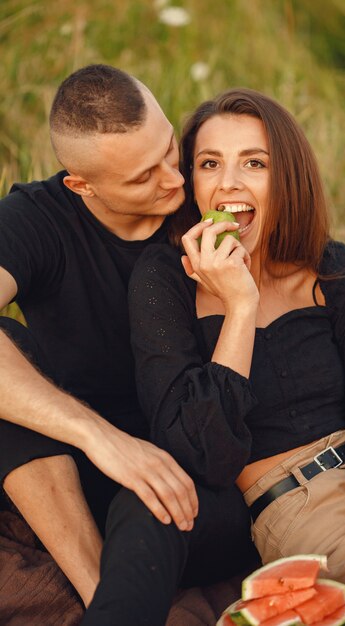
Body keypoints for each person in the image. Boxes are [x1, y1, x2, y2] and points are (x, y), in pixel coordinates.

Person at [126, 87, 345, 625]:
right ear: (193, 182)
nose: (229, 183)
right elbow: (205, 457)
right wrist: (240, 304)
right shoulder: (164, 280)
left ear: (288, 176)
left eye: (254, 163)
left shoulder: (337, 271)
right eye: (210, 163)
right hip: (305, 511)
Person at [0, 65, 261, 625]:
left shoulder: (207, 184)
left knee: (152, 509)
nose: (174, 180)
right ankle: (99, 590)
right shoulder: (36, 218)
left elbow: (330, 285)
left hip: (199, 471)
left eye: (171, 149)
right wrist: (99, 437)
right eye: (144, 177)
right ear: (82, 186)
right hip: (81, 472)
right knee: (7, 352)